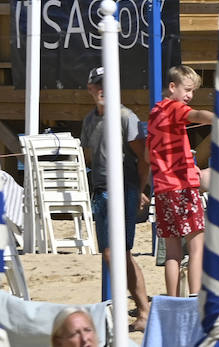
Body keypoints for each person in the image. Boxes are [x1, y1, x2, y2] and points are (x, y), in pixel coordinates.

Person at [81, 66, 150, 331]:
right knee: (117, 254)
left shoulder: (125, 117)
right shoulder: (90, 120)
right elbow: (91, 156)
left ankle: (138, 310)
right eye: (98, 85)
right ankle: (141, 310)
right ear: (90, 88)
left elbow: (143, 157)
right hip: (101, 190)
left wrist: (140, 190)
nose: (102, 90)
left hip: (124, 188)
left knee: (115, 253)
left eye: (107, 84)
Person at [148, 65, 214, 297]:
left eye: (193, 91)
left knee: (172, 253)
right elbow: (197, 115)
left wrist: (185, 163)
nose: (190, 96)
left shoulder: (155, 112)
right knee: (197, 246)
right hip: (182, 188)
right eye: (187, 90)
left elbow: (151, 153)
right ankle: (194, 296)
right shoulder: (174, 108)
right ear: (172, 87)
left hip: (162, 188)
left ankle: (173, 298)